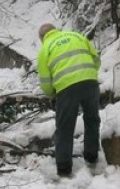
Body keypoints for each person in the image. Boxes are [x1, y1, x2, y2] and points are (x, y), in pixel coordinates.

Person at [36, 23, 101, 178]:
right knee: (92, 119)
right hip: (90, 81)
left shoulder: (45, 49)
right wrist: (87, 74)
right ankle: (92, 157)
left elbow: (45, 82)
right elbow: (96, 60)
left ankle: (64, 168)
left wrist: (52, 94)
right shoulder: (76, 36)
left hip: (66, 88)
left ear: (42, 38)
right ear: (56, 30)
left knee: (65, 126)